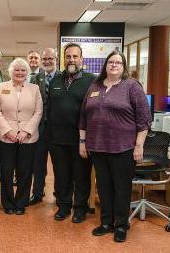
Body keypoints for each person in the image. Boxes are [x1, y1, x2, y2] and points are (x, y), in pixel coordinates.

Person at [79, 50, 151, 243]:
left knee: (121, 188)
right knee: (103, 187)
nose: (113, 65)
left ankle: (121, 225)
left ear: (123, 66)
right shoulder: (95, 86)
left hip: (123, 148)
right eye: (110, 62)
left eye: (118, 62)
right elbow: (84, 117)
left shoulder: (131, 86)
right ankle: (106, 223)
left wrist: (139, 146)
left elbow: (144, 119)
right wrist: (82, 142)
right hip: (97, 147)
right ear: (105, 65)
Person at [48, 43, 96, 223]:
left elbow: (93, 111)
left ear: (82, 59)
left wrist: (87, 138)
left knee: (81, 176)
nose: (71, 60)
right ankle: (64, 206)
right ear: (64, 59)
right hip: (57, 139)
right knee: (61, 175)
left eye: (75, 57)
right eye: (68, 57)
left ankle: (80, 209)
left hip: (81, 139)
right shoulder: (56, 80)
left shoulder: (91, 81)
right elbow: (50, 108)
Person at [0, 58, 42, 215]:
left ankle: (21, 203)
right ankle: (8, 203)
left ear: (27, 72)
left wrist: (27, 131)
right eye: (16, 70)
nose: (20, 73)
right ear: (11, 72)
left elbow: (38, 112)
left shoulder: (34, 89)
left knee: (25, 171)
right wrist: (7, 131)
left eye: (23, 70)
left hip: (28, 137)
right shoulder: (1, 87)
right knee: (6, 171)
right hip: (6, 136)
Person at [29, 47, 60, 205]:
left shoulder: (63, 77)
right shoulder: (35, 78)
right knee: (38, 162)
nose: (47, 62)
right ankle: (37, 192)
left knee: (59, 163)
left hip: (58, 129)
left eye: (51, 59)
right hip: (39, 128)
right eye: (45, 59)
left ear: (56, 59)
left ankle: (59, 192)